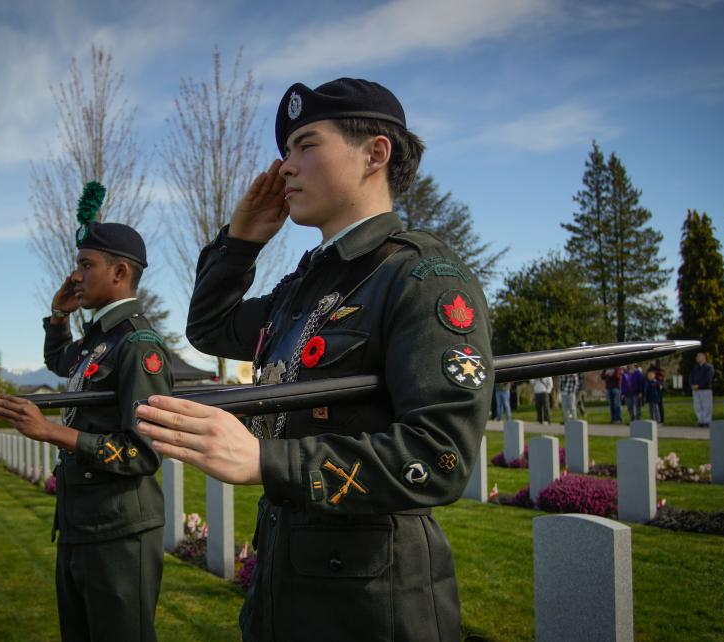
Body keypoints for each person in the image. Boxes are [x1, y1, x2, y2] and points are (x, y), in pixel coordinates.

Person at [134, 78, 492, 641]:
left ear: (375, 153)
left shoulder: (419, 276)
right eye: (285, 151)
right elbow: (209, 327)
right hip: (287, 589)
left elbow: (439, 455)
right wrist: (241, 242)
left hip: (373, 607)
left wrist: (266, 461)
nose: (285, 167)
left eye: (306, 145)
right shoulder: (302, 289)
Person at [0, 218, 172, 641]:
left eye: (86, 265)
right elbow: (60, 362)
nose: (75, 276)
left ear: (120, 272)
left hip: (119, 531)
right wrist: (58, 316)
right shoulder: (101, 341)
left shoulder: (138, 345)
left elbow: (143, 452)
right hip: (81, 524)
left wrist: (50, 432)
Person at [689, 352, 715, 427]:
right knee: (697, 406)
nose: (697, 358)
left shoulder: (708, 367)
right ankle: (700, 420)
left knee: (706, 405)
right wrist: (692, 385)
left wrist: (699, 385)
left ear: (704, 357)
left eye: (699, 356)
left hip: (705, 389)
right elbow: (691, 377)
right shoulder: (695, 368)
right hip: (695, 390)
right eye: (697, 357)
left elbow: (708, 378)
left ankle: (707, 421)